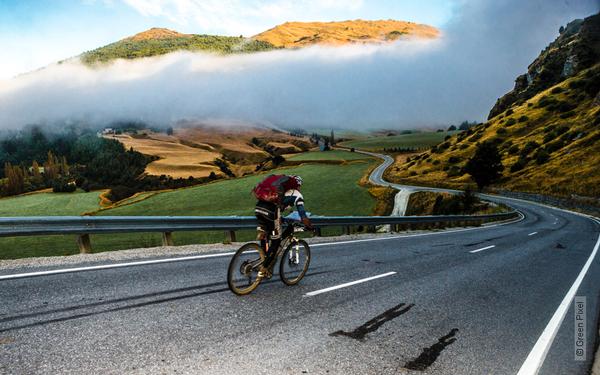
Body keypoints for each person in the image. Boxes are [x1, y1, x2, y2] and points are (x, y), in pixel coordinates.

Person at [254, 175, 312, 274]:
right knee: (276, 241)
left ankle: (263, 257)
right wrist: (309, 226)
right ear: (298, 186)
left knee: (266, 234)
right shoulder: (297, 194)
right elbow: (302, 214)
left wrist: (282, 218)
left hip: (258, 209)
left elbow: (278, 207)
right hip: (271, 212)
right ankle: (264, 268)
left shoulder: (278, 191)